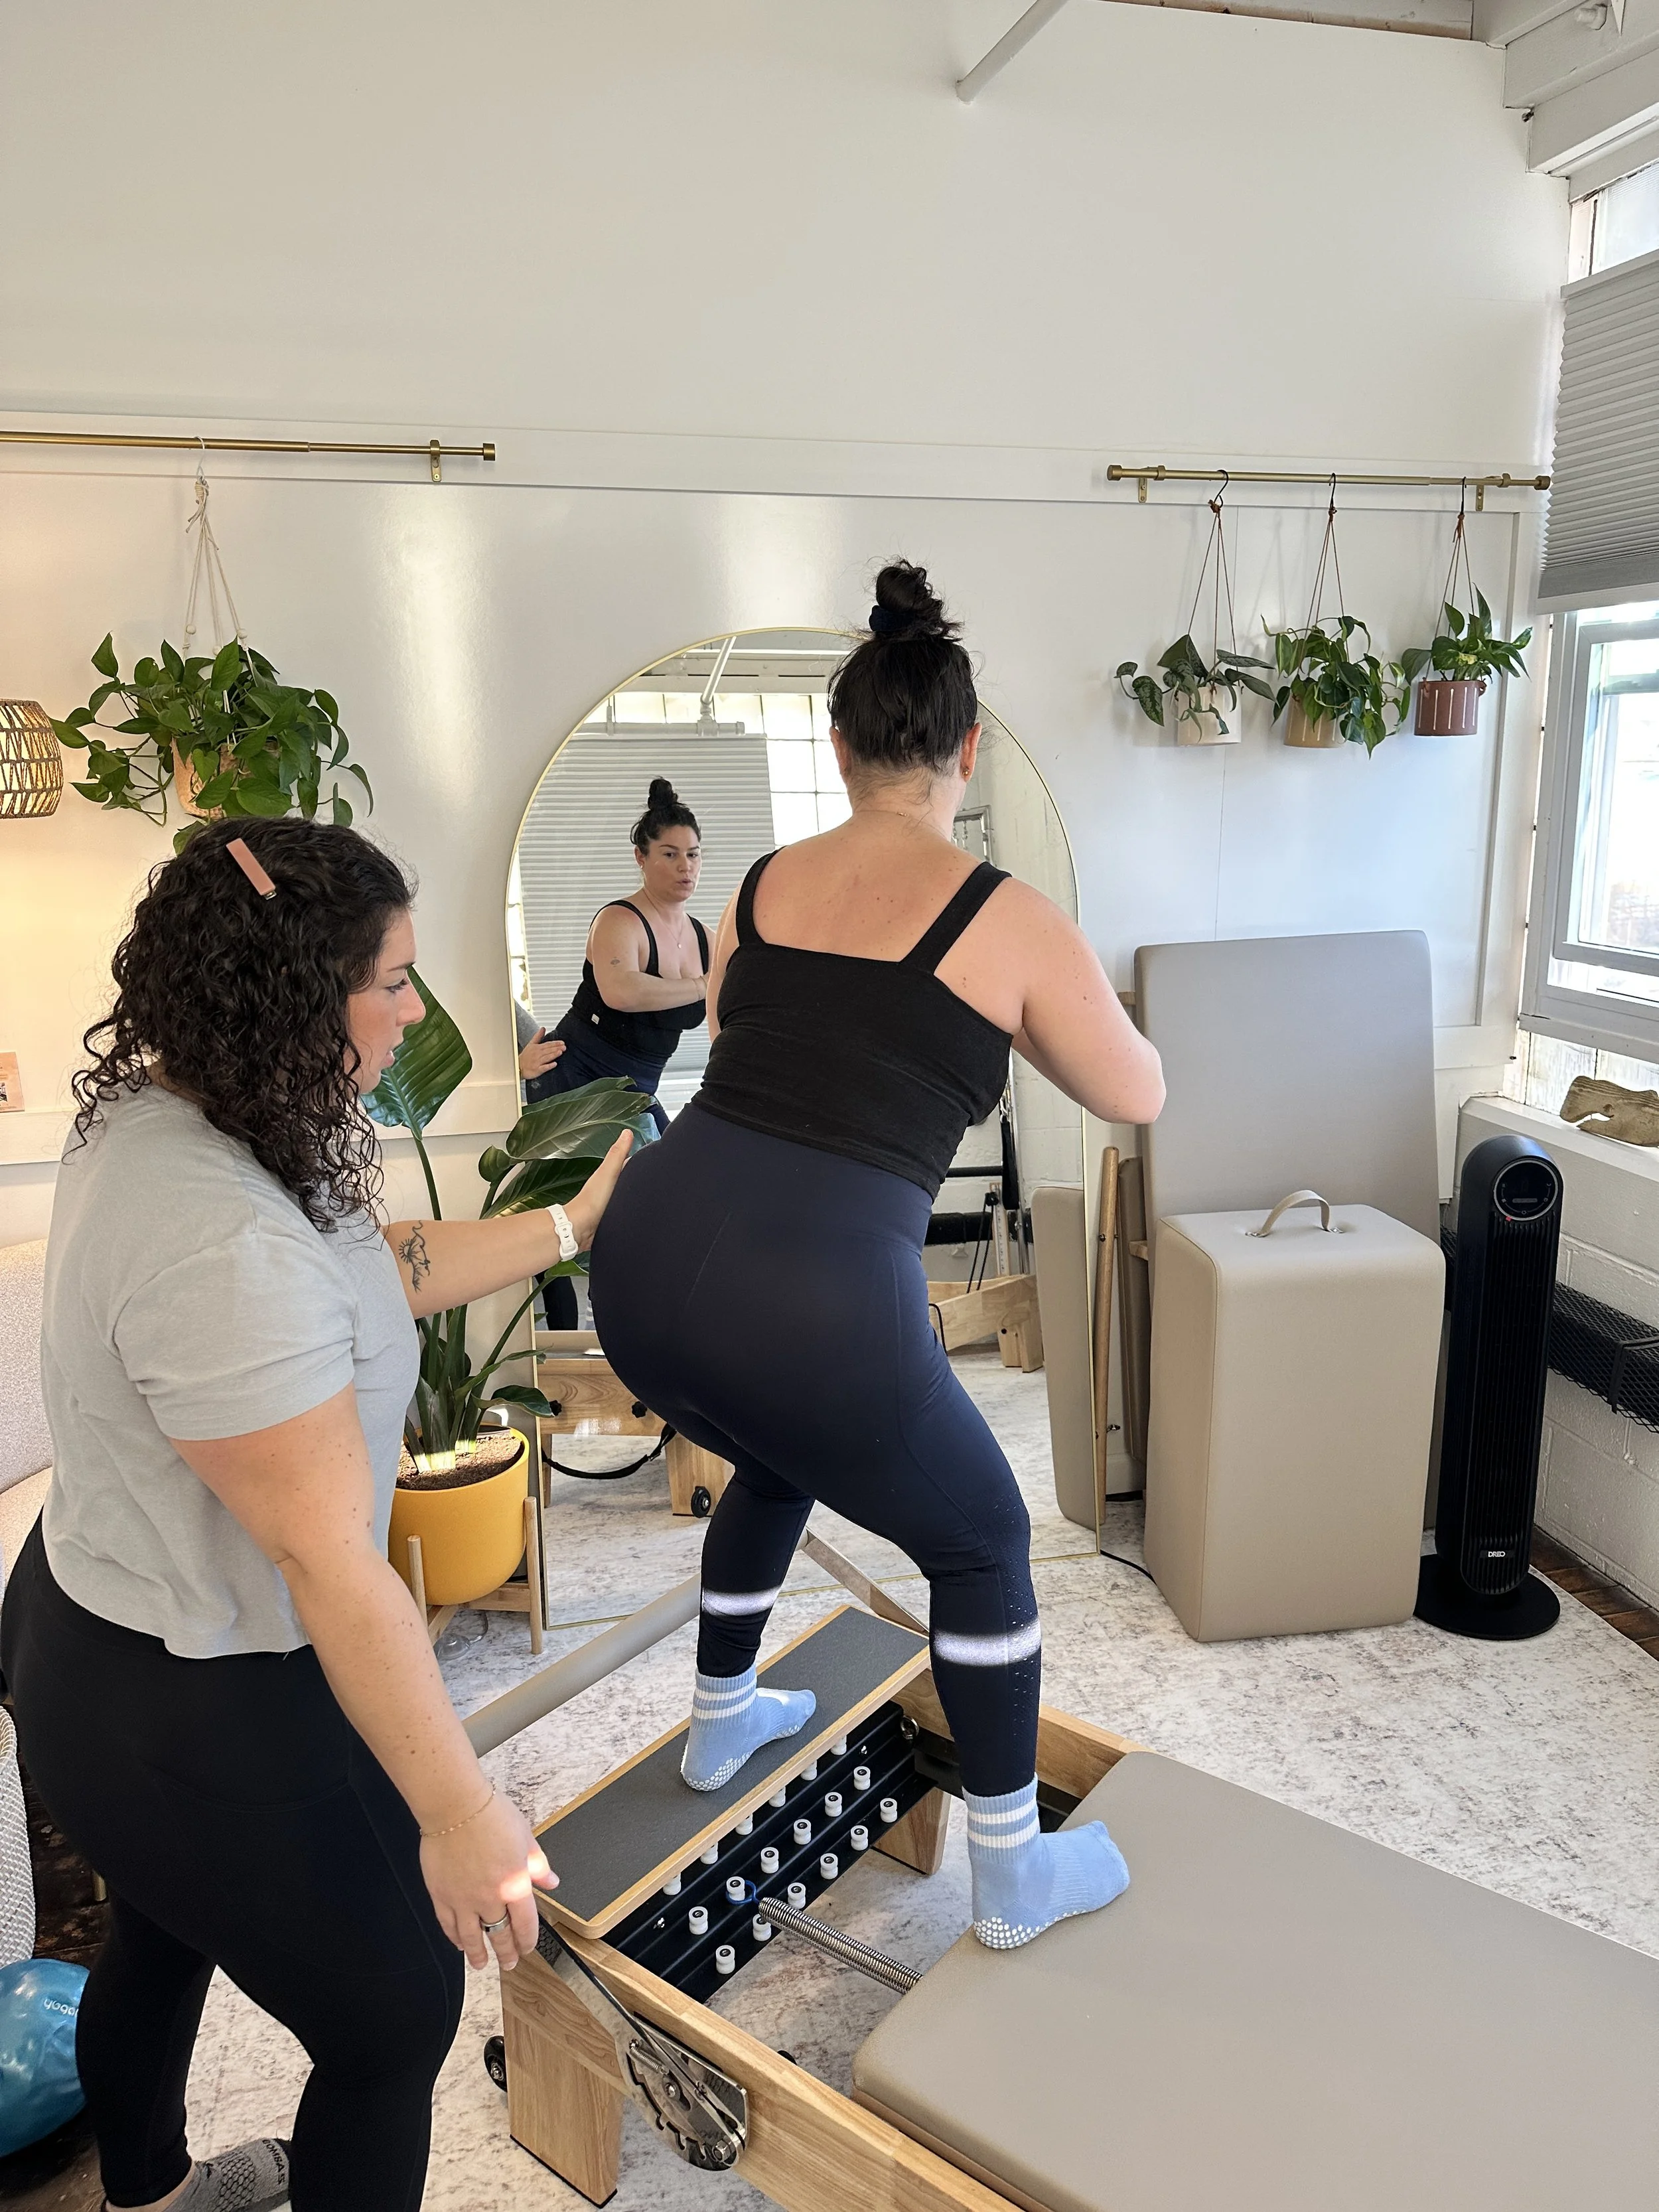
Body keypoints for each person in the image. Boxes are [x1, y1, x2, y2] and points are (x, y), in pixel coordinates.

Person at [0, 818, 630, 2212]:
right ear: (293, 996)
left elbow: (375, 1266)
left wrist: (571, 1224)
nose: (412, 1012)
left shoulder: (179, 1108)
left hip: (79, 1615)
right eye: (392, 981)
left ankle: (148, 2194)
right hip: (178, 1690)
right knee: (393, 2007)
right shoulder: (219, 1235)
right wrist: (461, 1809)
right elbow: (329, 1559)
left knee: (161, 1925)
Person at [591, 563, 1165, 1953]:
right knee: (980, 1541)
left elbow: (734, 1037)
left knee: (775, 1450)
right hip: (814, 1302)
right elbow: (1135, 1089)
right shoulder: (1006, 914)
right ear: (964, 750)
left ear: (839, 747)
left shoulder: (762, 882)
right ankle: (1013, 1874)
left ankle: (722, 1719)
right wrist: (1028, 1002)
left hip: (644, 1267)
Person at [531, 776, 709, 1325]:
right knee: (571, 1224)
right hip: (574, 1079)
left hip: (635, 1091)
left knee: (674, 1200)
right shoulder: (619, 920)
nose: (685, 867)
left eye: (693, 854)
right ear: (641, 857)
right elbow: (622, 991)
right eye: (669, 854)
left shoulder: (704, 935)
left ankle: (646, 1330)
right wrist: (706, 984)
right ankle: (570, 1341)